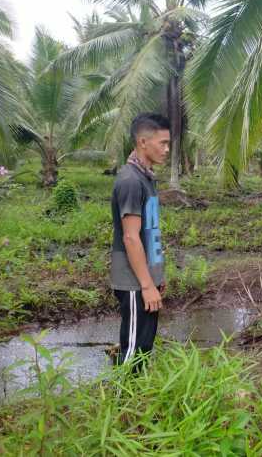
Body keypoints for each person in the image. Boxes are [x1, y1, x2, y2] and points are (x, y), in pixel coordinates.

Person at [110, 113, 170, 368]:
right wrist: (146, 285)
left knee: (144, 346)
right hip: (135, 282)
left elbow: (150, 231)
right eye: (162, 143)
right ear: (143, 142)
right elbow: (131, 237)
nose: (167, 150)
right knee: (133, 350)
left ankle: (136, 401)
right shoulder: (130, 181)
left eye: (169, 144)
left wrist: (156, 277)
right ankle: (123, 405)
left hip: (146, 278)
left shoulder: (145, 177)